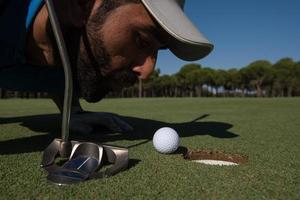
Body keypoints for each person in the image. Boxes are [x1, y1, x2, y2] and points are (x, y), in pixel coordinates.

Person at [0, 0, 213, 134]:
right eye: (141, 41)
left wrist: (72, 112)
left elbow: (62, 77)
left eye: (159, 50)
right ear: (81, 4)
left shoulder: (74, 59)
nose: (147, 71)